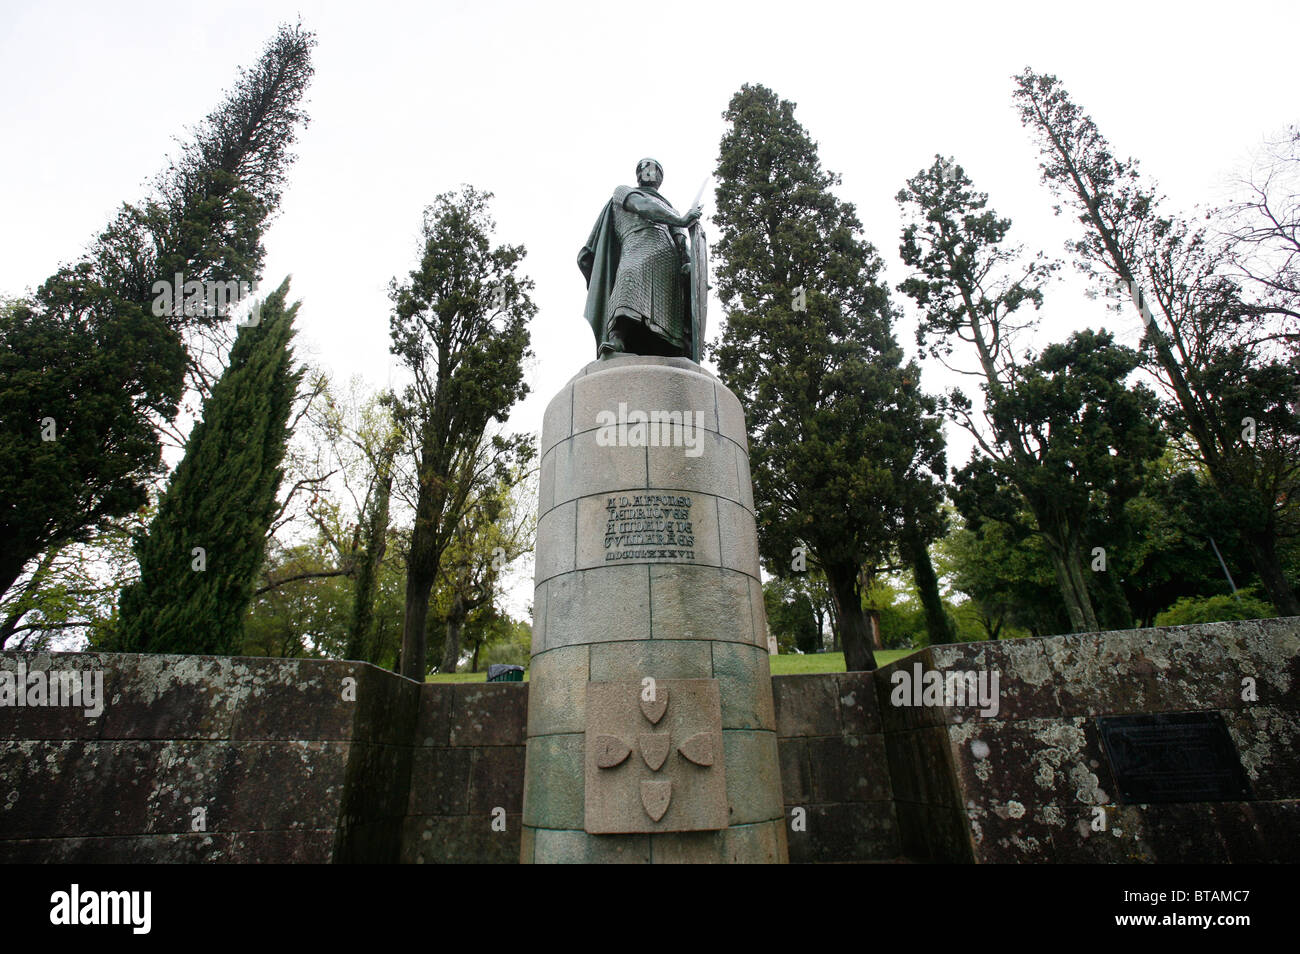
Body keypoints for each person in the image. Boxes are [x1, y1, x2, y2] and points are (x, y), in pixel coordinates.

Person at [578, 158, 703, 360]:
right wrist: (680, 220)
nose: (650, 172)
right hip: (636, 245)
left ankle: (669, 347)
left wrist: (690, 265)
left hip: (666, 257)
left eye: (655, 169)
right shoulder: (623, 191)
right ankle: (617, 337)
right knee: (628, 280)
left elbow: (680, 240)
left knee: (669, 308)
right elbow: (642, 205)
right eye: (645, 168)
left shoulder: (671, 208)